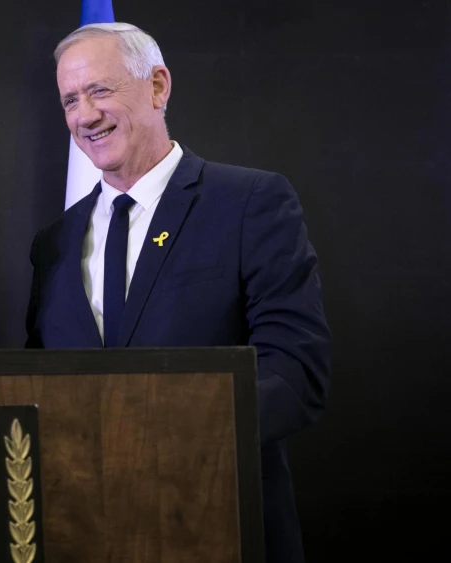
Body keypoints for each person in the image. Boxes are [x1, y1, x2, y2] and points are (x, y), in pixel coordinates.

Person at [26, 23, 330, 563]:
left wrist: (159, 438)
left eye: (100, 90)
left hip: (219, 523)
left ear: (158, 86)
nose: (83, 116)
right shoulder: (54, 243)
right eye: (69, 100)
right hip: (85, 533)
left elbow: (295, 371)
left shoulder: (248, 203)